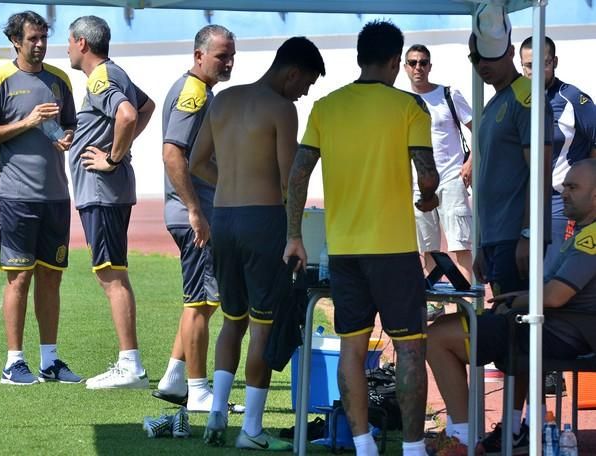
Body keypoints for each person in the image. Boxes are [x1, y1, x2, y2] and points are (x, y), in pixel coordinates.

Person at [283, 21, 437, 456]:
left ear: (357, 58)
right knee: (408, 347)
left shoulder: (326, 107)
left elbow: (297, 175)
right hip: (394, 250)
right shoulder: (410, 107)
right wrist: (428, 199)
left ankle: (363, 444)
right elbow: (427, 175)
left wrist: (295, 234)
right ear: (394, 61)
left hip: (344, 250)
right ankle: (412, 448)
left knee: (351, 346)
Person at [427, 5, 553, 454]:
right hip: (496, 241)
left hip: (516, 240)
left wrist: (525, 235)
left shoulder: (524, 98)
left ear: (504, 54)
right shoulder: (494, 103)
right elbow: (487, 184)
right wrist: (482, 241)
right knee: (507, 331)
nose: (479, 65)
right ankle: (513, 427)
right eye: (473, 57)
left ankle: (519, 426)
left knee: (518, 335)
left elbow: (537, 172)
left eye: (486, 56)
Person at [190, 36, 325, 451]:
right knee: (263, 325)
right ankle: (251, 428)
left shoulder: (224, 99)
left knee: (233, 320)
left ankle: (217, 417)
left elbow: (196, 162)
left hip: (225, 218)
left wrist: (231, 182)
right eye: (305, 85)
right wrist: (296, 232)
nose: (303, 94)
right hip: (263, 220)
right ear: (293, 73)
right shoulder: (283, 108)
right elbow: (289, 179)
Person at [426, 158, 596, 455]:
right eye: (565, 185)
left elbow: (555, 296)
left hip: (556, 332)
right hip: (543, 324)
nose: (564, 192)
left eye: (573, 186)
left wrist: (516, 301)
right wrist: (515, 299)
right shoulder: (581, 233)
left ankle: (464, 440)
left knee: (437, 338)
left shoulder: (591, 238)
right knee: (440, 330)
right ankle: (468, 434)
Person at [0, 10, 80, 385]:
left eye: (43, 38)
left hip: (56, 196)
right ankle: (13, 363)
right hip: (17, 197)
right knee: (19, 279)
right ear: (15, 41)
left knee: (51, 279)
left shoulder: (60, 80)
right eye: (32, 38)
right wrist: (27, 122)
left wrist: (67, 137)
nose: (39, 45)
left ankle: (49, 361)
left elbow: (71, 126)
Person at [66, 15, 155, 389]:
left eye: (69, 41)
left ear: (82, 43)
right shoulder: (112, 74)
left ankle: (129, 364)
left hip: (102, 192)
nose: (67, 48)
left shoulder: (102, 76)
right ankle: (129, 362)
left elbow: (130, 113)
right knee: (113, 271)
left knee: (110, 274)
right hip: (105, 193)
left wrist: (113, 157)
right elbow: (146, 106)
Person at [154, 25, 236, 412]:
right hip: (195, 214)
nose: (228, 62)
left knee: (199, 301)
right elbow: (173, 153)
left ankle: (174, 377)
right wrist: (194, 209)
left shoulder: (200, 91)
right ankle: (198, 390)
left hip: (195, 211)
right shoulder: (192, 94)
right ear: (199, 56)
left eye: (231, 55)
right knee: (202, 302)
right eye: (221, 56)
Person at [403, 43, 474, 320]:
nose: (418, 67)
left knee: (460, 245)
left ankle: (463, 307)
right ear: (405, 67)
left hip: (451, 179)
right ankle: (437, 307)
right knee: (428, 248)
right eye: (412, 62)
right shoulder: (402, 101)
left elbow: (476, 129)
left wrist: (469, 163)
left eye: (423, 62)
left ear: (430, 66)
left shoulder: (448, 94)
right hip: (418, 184)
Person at [519, 36, 596, 270]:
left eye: (544, 63)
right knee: (521, 277)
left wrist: (584, 186)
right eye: (529, 65)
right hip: (522, 203)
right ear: (521, 65)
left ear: (555, 62)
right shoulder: (516, 100)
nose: (536, 71)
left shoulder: (573, 99)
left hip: (560, 204)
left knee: (553, 275)